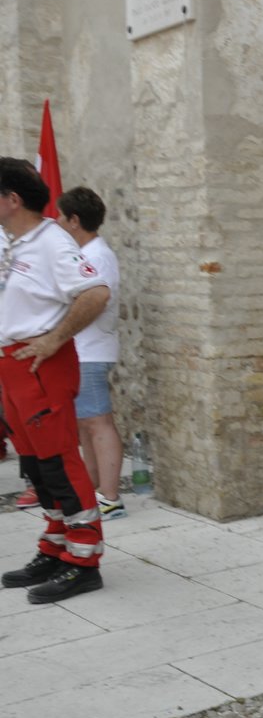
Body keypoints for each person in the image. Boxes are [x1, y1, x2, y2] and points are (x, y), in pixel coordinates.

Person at [0, 157, 112, 603]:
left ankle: (84, 562)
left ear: (11, 199)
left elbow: (96, 293)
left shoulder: (53, 242)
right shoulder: (8, 239)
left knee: (60, 462)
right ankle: (55, 547)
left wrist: (54, 339)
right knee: (35, 467)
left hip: (41, 364)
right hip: (11, 366)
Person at [56, 186, 125, 521]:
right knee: (86, 424)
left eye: (60, 216)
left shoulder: (98, 255)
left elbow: (98, 301)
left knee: (99, 423)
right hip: (82, 351)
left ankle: (111, 497)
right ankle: (95, 489)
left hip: (92, 351)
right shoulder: (89, 254)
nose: (56, 222)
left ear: (74, 220)